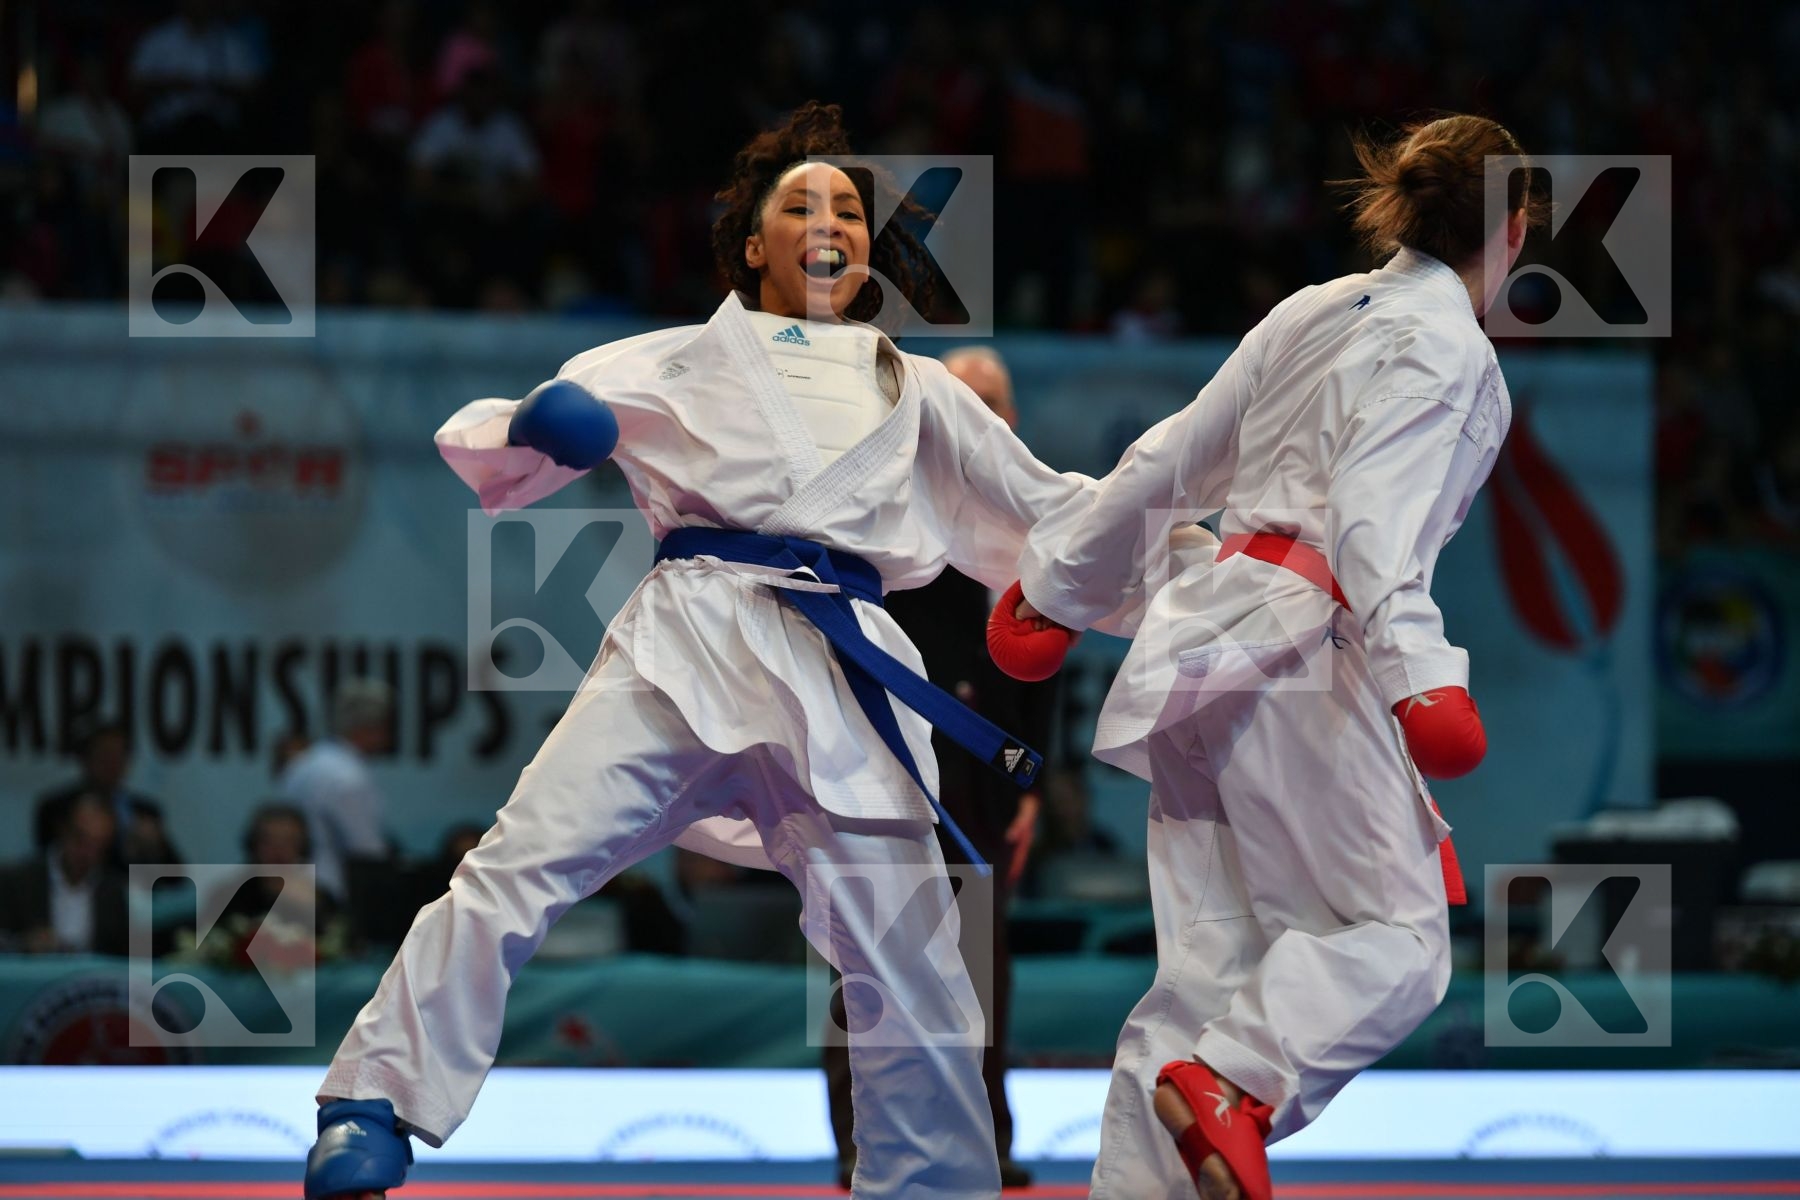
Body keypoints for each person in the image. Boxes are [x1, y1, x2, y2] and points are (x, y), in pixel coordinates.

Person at [304, 101, 1150, 1200]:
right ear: (756, 243)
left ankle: (936, 1187)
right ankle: (372, 1100)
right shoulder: (675, 357)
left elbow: (1050, 515)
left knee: (918, 959)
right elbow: (520, 433)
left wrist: (1188, 547)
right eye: (802, 203)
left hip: (846, 670)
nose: (830, 216)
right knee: (519, 865)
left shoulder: (919, 389)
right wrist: (531, 426)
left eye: (847, 204)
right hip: (690, 639)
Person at [992, 114, 1544, 1200]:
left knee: (1209, 977)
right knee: (1397, 939)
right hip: (1299, 651)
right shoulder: (1452, 349)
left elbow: (1170, 458)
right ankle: (1237, 1083)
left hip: (1195, 658)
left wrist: (1061, 585)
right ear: (1514, 230)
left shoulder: (1312, 308)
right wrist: (1423, 680)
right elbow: (1375, 530)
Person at [823, 346, 1050, 1190]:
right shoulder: (884, 511)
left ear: (1012, 422)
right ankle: (862, 1144)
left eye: (989, 402)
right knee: (866, 955)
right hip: (881, 764)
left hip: (988, 785)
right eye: (958, 400)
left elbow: (1040, 664)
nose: (975, 417)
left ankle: (985, 1141)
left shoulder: (1032, 526)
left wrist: (1034, 785)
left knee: (982, 967)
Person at [280, 680, 394, 904]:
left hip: (287, 886)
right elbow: (367, 852)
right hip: (328, 892)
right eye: (385, 727)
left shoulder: (302, 763)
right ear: (368, 728)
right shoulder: (349, 777)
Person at [33, 722, 181, 869]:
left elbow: (176, 876)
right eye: (104, 754)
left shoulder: (145, 811)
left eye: (119, 755)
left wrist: (156, 848)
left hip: (133, 890)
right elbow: (52, 869)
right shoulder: (57, 808)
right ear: (85, 758)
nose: (112, 763)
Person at [0, 791, 129, 956]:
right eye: (81, 840)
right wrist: (24, 943)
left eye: (98, 846)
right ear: (62, 830)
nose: (87, 853)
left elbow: (123, 955)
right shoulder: (17, 881)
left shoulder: (113, 890)